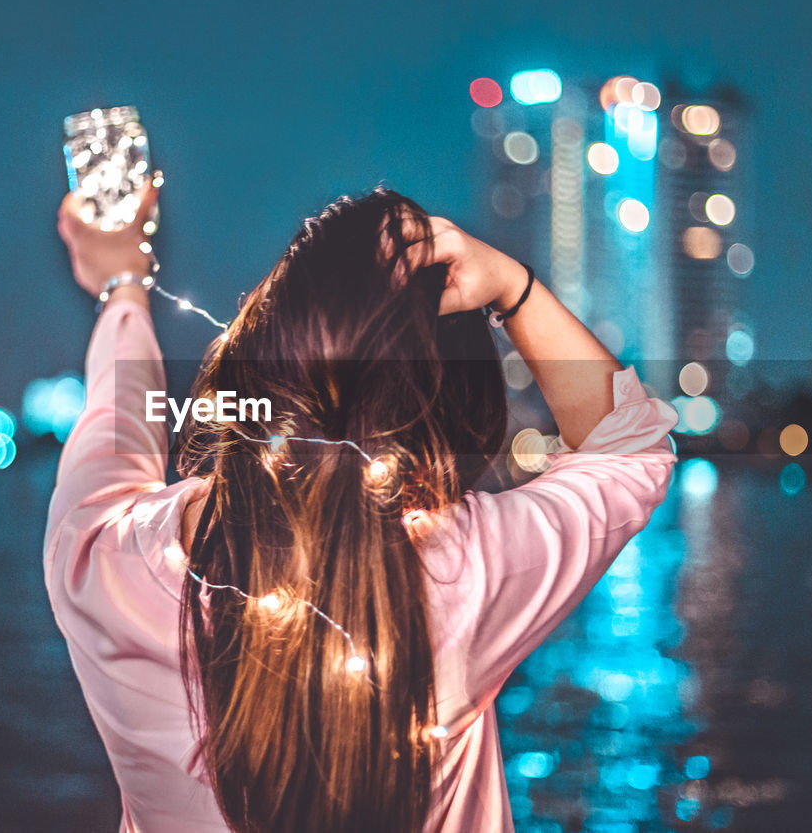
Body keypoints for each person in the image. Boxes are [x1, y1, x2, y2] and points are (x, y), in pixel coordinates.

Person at [45, 178, 678, 833]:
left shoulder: (100, 558)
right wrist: (514, 288)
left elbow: (119, 411)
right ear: (449, 404)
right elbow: (631, 447)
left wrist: (121, 282)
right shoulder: (464, 572)